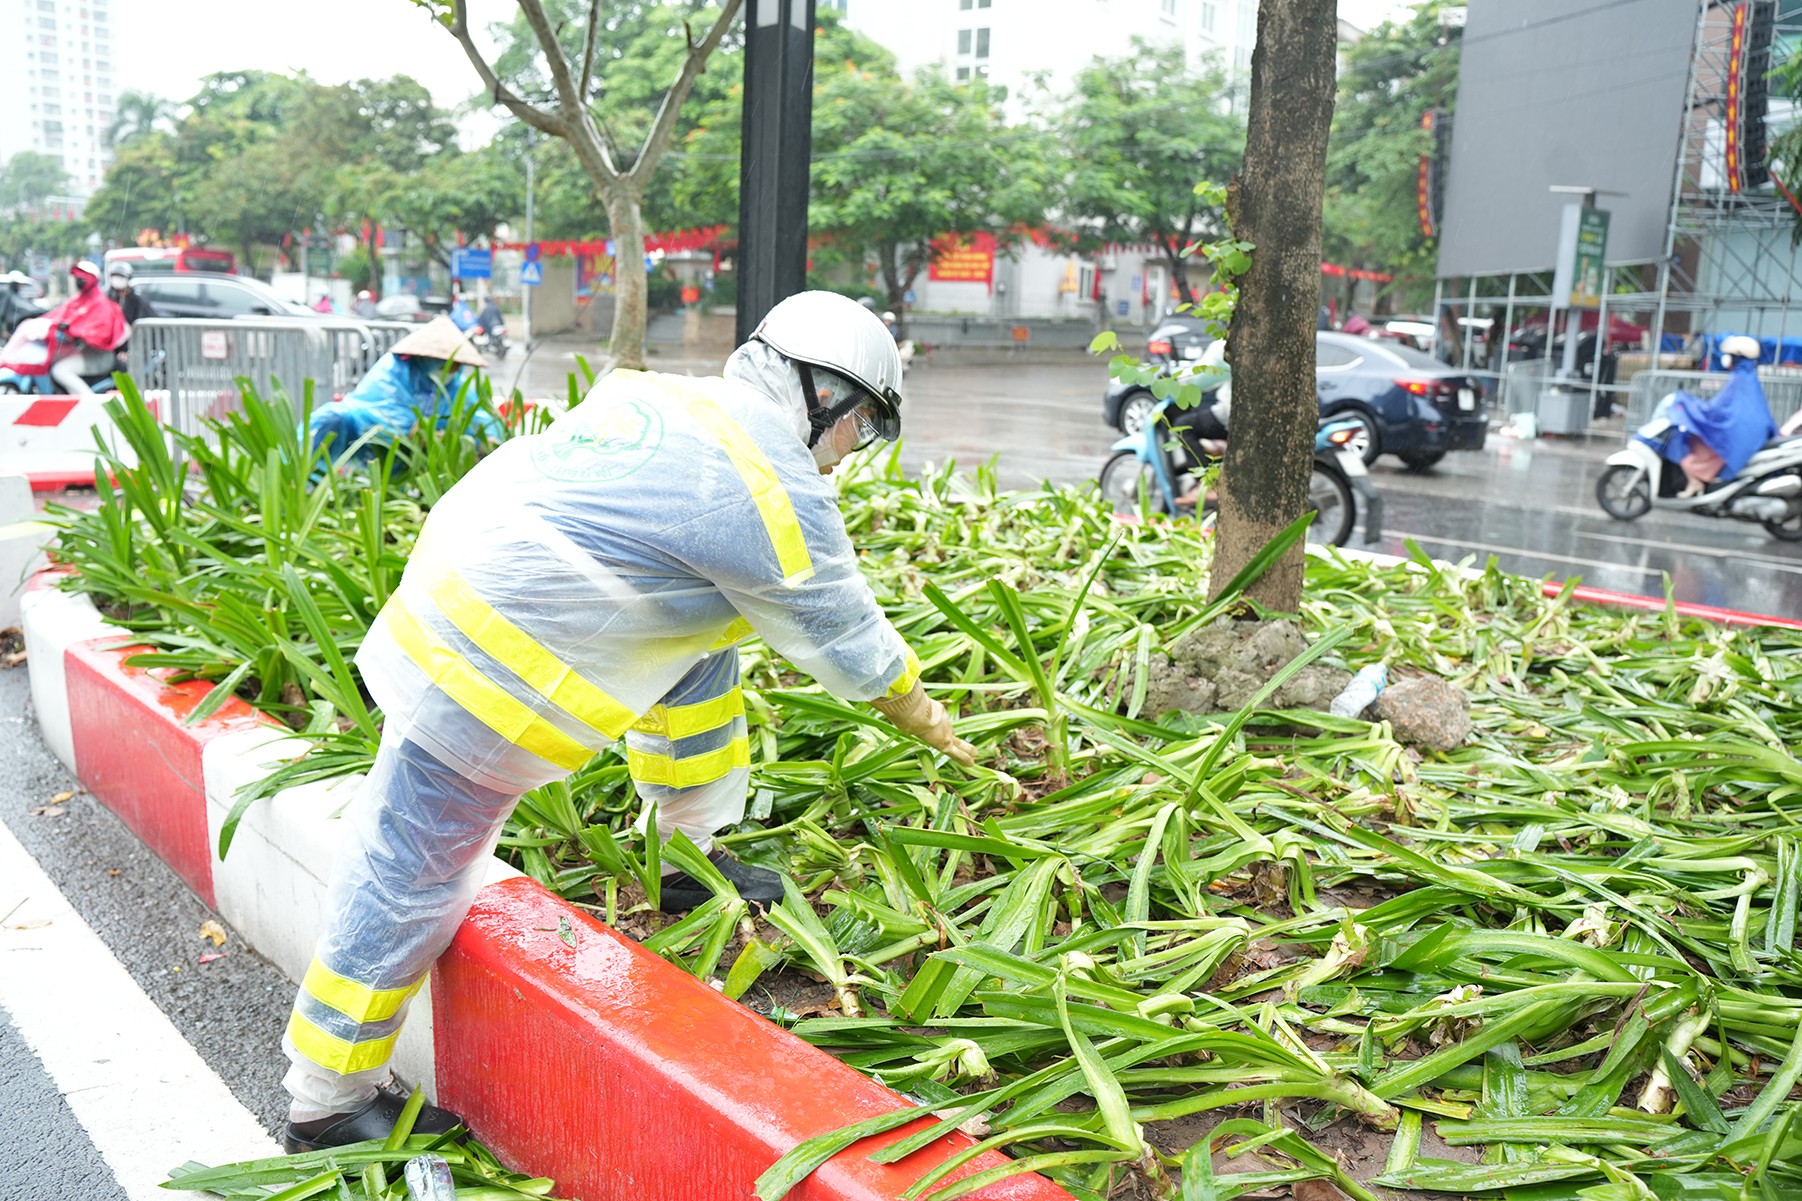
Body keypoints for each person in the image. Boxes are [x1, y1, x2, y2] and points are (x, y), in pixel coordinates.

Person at [279, 291, 976, 1152]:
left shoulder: (670, 399)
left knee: (703, 642)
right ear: (820, 393)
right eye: (861, 424)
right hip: (486, 669)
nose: (849, 451)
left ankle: (685, 850)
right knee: (409, 871)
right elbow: (854, 649)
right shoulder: (771, 484)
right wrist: (938, 726)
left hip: (460, 601)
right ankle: (328, 1099)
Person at [306, 316, 501, 463]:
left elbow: (478, 417)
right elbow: (385, 415)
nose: (453, 370)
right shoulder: (394, 370)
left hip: (423, 462)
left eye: (458, 365)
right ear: (430, 358)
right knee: (330, 418)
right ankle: (313, 479)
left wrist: (490, 438)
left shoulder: (455, 384)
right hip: (373, 448)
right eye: (448, 364)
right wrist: (425, 432)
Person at [1669, 334, 1778, 497]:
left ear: (1736, 356)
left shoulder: (1740, 378)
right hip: (1746, 433)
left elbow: (1717, 409)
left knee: (1690, 455)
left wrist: (1689, 404)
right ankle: (1696, 485)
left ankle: (1696, 483)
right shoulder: (1746, 376)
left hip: (1738, 436)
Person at [44, 261, 127, 395]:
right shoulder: (78, 299)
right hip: (82, 352)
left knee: (60, 370)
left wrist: (74, 330)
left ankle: (89, 402)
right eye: (77, 278)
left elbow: (101, 333)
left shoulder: (101, 303)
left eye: (82, 278)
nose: (79, 281)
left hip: (99, 357)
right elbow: (58, 315)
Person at [106, 263, 157, 368]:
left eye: (121, 276)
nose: (117, 280)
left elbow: (141, 331)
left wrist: (128, 350)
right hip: (111, 348)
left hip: (134, 350)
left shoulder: (137, 301)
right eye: (115, 276)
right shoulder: (109, 297)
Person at [0, 271, 43, 339]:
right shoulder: (6, 293)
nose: (21, 286)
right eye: (20, 284)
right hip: (8, 326)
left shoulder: (16, 295)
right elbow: (2, 312)